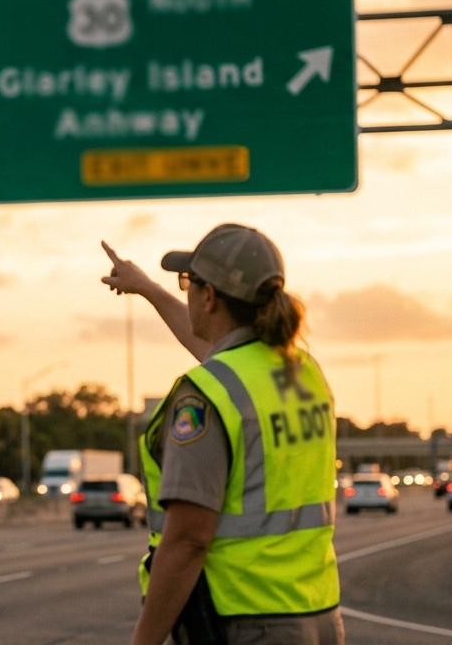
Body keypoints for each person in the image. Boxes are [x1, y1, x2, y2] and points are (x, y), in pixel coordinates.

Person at [101, 224, 343, 645]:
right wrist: (148, 288)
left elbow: (188, 540)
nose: (185, 293)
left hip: (248, 620)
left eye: (187, 283)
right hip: (316, 616)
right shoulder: (301, 372)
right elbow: (220, 350)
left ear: (209, 297)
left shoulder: (206, 398)